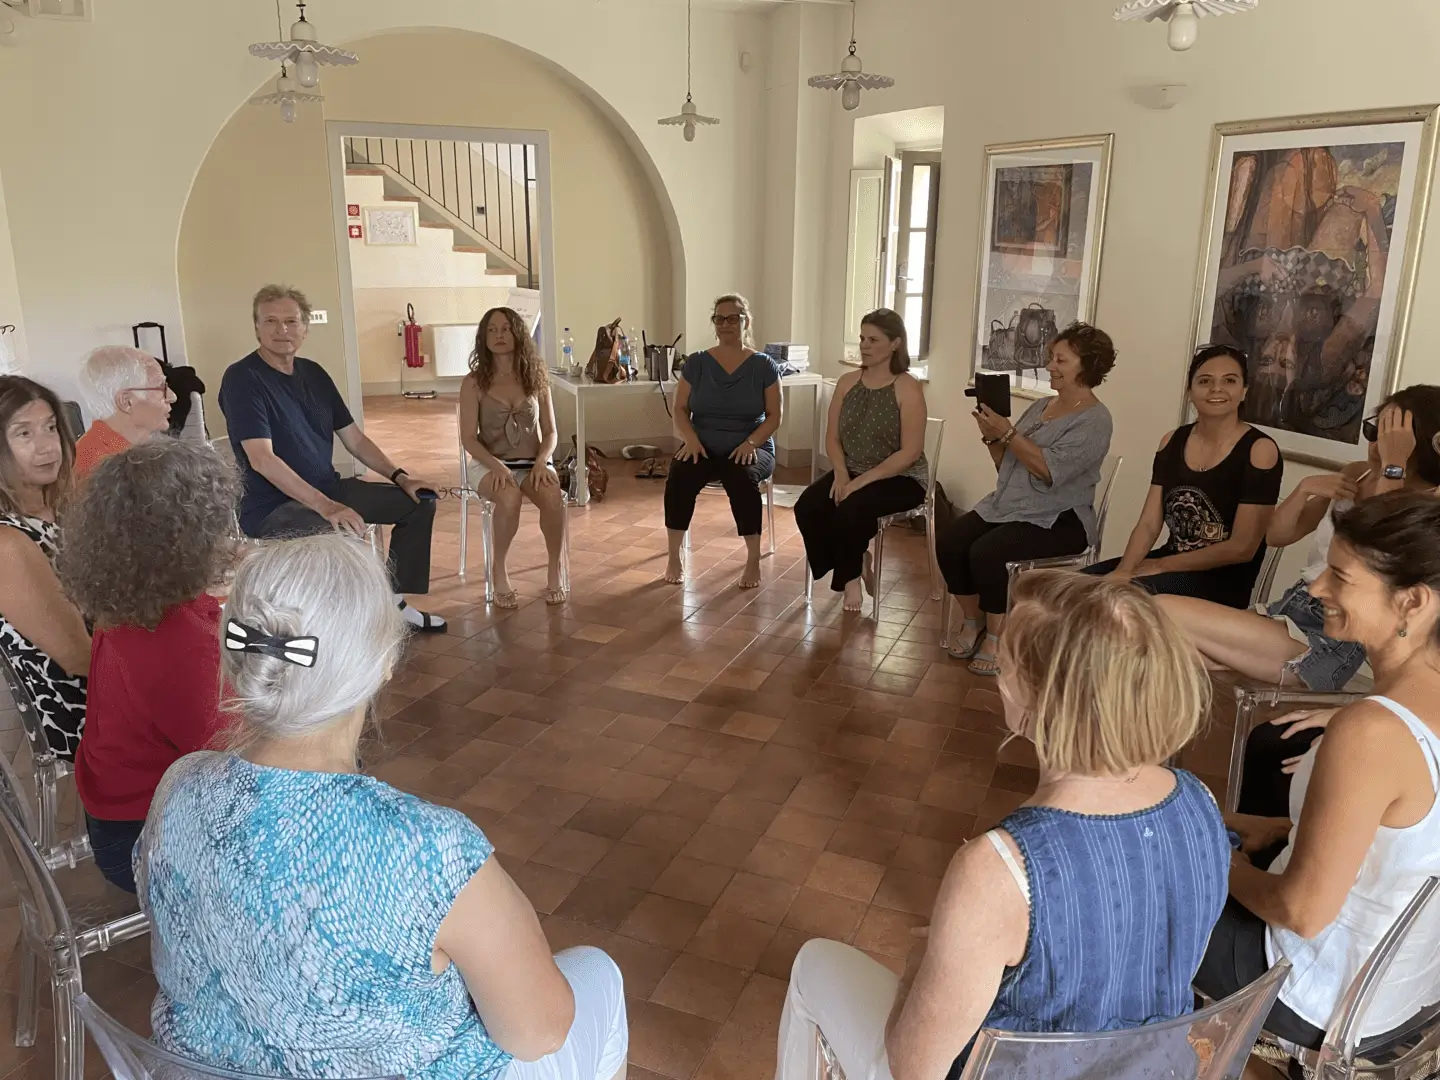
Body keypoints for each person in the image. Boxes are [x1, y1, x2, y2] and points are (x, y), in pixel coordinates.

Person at [136, 534, 628, 1080]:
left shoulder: (177, 787)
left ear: (240, 660)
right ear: (383, 664)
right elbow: (538, 1032)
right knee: (598, 974)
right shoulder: (430, 850)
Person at [775, 571, 1228, 1080]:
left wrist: (920, 963)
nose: (997, 678)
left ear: (1035, 699)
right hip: (1156, 1070)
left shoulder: (999, 868)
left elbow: (913, 1068)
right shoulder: (1201, 801)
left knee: (813, 964)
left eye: (1006, 664)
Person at [1194, 492, 1440, 1064]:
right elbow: (1407, 838)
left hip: (1318, 994)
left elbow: (1302, 911)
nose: (1316, 589)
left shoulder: (1373, 731)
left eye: (1340, 576)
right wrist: (1282, 827)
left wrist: (1217, 861)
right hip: (1403, 992)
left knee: (1135, 879)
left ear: (1412, 602)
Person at [1157, 385, 1440, 694]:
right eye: (1374, 430)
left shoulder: (1427, 502)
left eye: (1390, 437)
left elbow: (1377, 547)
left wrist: (1393, 465)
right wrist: (1304, 488)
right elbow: (1278, 535)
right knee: (1165, 651)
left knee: (1157, 611)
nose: (1376, 445)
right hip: (1289, 608)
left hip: (1328, 638)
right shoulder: (1358, 474)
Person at [54, 439, 236, 893]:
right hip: (143, 839)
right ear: (190, 536)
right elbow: (230, 755)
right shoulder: (174, 642)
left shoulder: (130, 605)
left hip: (117, 810)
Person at [218, 284, 446, 633]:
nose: (282, 330)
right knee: (336, 531)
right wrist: (327, 507)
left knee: (417, 504)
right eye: (271, 321)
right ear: (256, 328)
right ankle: (345, 627)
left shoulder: (314, 374)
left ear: (305, 328)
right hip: (272, 506)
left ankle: (392, 603)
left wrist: (401, 477)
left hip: (327, 490)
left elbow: (354, 438)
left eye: (291, 321)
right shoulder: (242, 379)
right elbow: (262, 459)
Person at [936, 322, 1115, 675]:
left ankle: (999, 637)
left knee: (988, 553)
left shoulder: (1096, 420)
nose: (1050, 366)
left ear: (1087, 366)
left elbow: (1049, 471)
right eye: (1051, 358)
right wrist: (992, 438)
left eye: (1060, 360)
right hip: (1012, 505)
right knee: (952, 541)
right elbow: (1008, 464)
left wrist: (1008, 431)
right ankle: (974, 621)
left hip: (1061, 517)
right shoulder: (1042, 407)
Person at [1086, 345, 1282, 607]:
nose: (1216, 389)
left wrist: (1161, 565)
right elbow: (1148, 524)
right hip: (1166, 564)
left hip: (1222, 582)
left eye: (1229, 381)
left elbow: (1242, 548)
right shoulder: (1172, 441)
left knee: (1118, 602)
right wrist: (1125, 569)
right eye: (1205, 381)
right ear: (1190, 391)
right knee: (1069, 588)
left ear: (1244, 390)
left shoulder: (1260, 450)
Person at [794, 309, 928, 612]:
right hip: (852, 468)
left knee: (850, 511)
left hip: (901, 477)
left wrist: (859, 483)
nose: (864, 345)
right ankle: (854, 561)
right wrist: (841, 474)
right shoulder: (847, 382)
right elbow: (832, 437)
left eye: (873, 339)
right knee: (809, 506)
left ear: (895, 343)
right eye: (862, 339)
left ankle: (849, 577)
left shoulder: (908, 386)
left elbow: (910, 452)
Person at [663, 294, 782, 589]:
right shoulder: (697, 363)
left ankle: (752, 557)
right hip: (701, 444)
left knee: (741, 477)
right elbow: (680, 408)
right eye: (720, 318)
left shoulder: (764, 366)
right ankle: (674, 555)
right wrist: (689, 440)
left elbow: (774, 415)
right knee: (680, 473)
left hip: (751, 445)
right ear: (714, 323)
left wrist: (751, 443)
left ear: (746, 322)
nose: (726, 324)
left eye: (733, 318)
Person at [0, 376, 89, 760]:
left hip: (109, 673)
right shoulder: (7, 542)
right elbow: (79, 657)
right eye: (24, 433)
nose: (48, 445)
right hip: (78, 710)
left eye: (51, 427)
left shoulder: (58, 507)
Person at [459, 308, 566, 608]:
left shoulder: (536, 377)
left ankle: (554, 568)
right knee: (509, 498)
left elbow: (551, 432)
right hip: (488, 463)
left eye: (505, 329)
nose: (499, 335)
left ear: (518, 333)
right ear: (484, 337)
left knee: (553, 496)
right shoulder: (473, 382)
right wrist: (497, 466)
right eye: (492, 330)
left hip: (532, 462)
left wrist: (542, 461)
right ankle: (499, 570)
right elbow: (468, 437)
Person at [73, 345, 177, 477]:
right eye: (160, 387)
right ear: (126, 402)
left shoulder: (138, 450)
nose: (172, 396)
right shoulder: (99, 468)